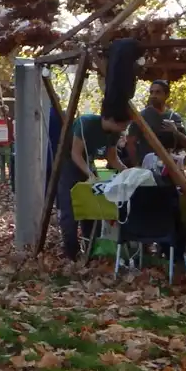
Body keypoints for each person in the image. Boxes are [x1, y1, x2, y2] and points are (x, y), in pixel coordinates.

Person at [56, 109, 128, 260]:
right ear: (113, 120)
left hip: (92, 169)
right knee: (70, 212)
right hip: (71, 169)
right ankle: (72, 253)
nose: (125, 128)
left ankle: (91, 252)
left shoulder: (114, 133)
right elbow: (76, 153)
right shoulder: (86, 123)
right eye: (124, 124)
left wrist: (128, 173)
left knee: (92, 212)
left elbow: (112, 158)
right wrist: (90, 174)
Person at [129, 80, 186, 167]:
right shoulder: (141, 117)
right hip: (147, 167)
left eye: (158, 92)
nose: (153, 96)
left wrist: (175, 132)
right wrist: (136, 165)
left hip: (169, 167)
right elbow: (131, 143)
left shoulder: (174, 117)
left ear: (167, 95)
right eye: (151, 92)